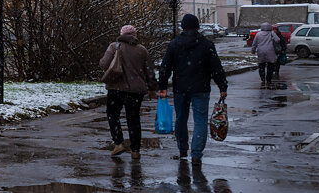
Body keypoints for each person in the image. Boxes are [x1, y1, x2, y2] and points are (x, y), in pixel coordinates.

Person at [158, 14, 228, 165]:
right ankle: (196, 154)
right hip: (201, 88)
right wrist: (222, 86)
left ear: (183, 27)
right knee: (200, 121)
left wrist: (162, 86)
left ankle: (183, 149)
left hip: (180, 88)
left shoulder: (174, 44)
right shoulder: (206, 45)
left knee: (181, 119)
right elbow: (216, 68)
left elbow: (165, 67)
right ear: (197, 27)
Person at [98, 24, 157, 160]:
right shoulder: (142, 50)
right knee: (134, 119)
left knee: (113, 115)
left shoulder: (114, 47)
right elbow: (149, 71)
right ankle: (135, 150)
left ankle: (119, 143)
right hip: (136, 91)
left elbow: (103, 64)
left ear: (121, 34)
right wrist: (152, 88)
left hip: (115, 88)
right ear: (135, 35)